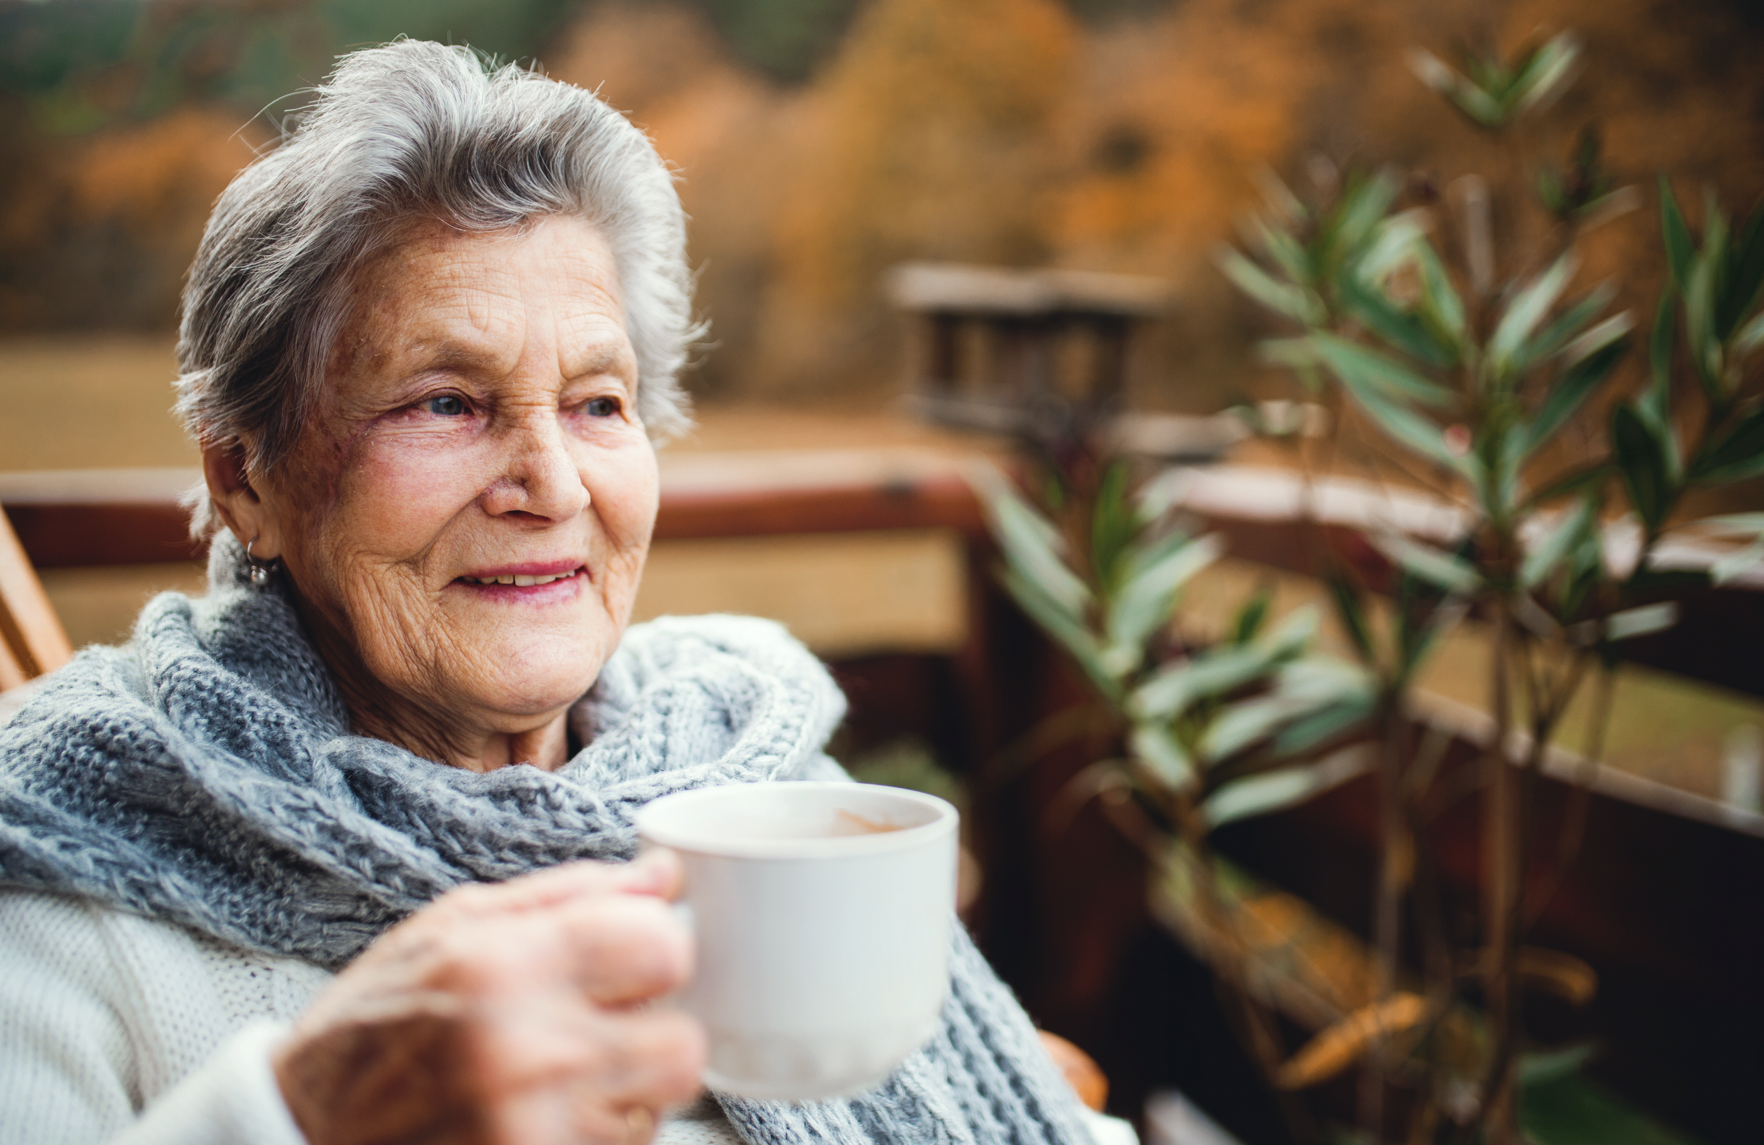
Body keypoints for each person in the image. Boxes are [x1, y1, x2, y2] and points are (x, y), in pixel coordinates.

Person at [0, 40, 1115, 1145]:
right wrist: (299, 1118)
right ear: (245, 477)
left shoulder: (747, 774)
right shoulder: (67, 868)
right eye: (445, 401)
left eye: (596, 402)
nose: (554, 482)